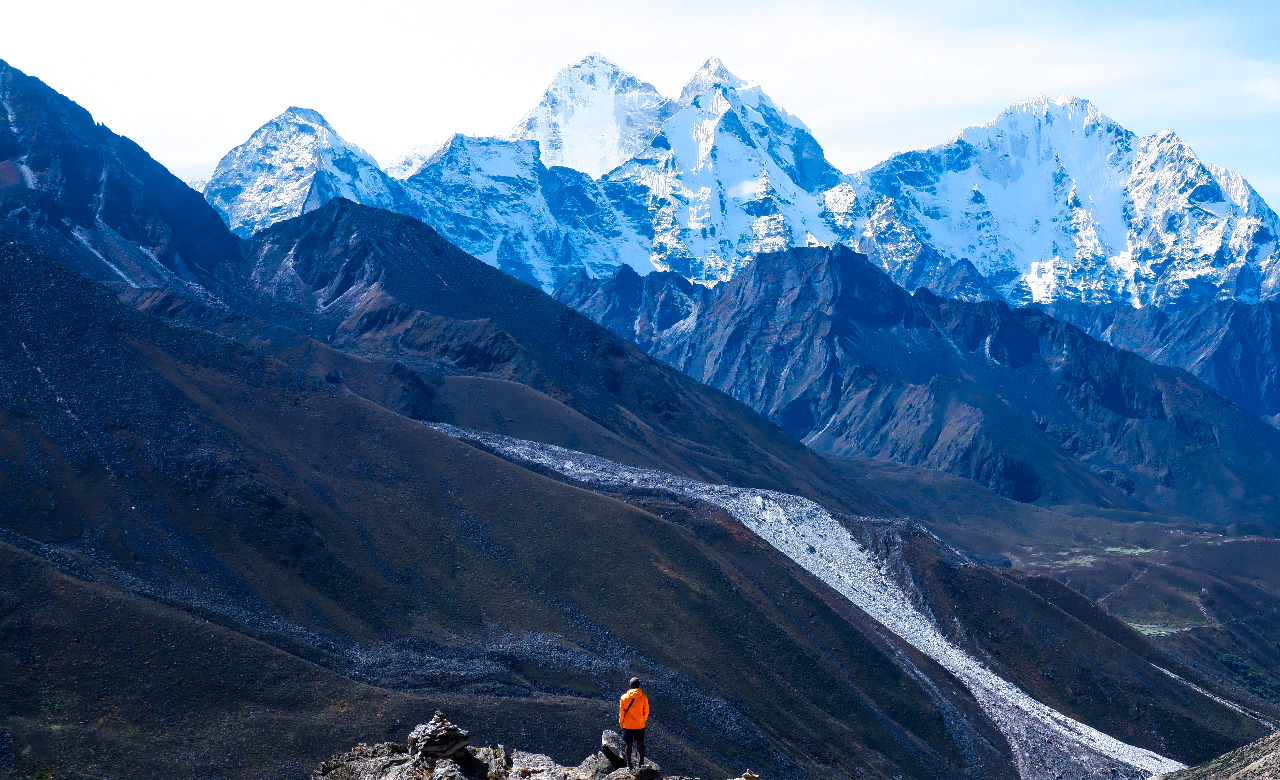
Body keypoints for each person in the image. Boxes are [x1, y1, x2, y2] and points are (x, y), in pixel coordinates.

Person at [618, 676, 649, 768]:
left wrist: (621, 723)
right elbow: (646, 711)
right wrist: (642, 720)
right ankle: (641, 763)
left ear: (630, 685)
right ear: (638, 685)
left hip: (628, 725)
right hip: (640, 724)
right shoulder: (643, 697)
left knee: (628, 744)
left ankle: (629, 764)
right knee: (641, 743)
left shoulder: (624, 697)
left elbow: (622, 712)